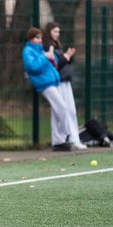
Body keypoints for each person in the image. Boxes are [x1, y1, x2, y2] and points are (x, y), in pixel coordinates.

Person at [22, 27, 72, 151]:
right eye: (37, 37)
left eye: (40, 37)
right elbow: (32, 67)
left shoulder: (40, 49)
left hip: (52, 81)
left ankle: (57, 141)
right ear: (30, 39)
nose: (40, 40)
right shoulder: (28, 50)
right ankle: (66, 134)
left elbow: (53, 61)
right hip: (44, 84)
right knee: (62, 107)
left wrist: (52, 57)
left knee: (56, 111)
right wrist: (46, 57)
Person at [43, 22, 87, 150]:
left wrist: (68, 56)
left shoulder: (56, 45)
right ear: (49, 32)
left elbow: (61, 62)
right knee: (60, 111)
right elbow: (55, 64)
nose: (57, 34)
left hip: (65, 81)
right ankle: (63, 139)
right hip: (57, 82)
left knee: (71, 110)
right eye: (55, 31)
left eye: (58, 32)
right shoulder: (48, 46)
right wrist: (66, 57)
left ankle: (74, 138)